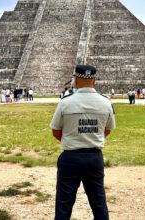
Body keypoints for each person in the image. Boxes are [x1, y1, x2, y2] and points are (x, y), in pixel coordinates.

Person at [50, 65, 116, 220]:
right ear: (94, 80)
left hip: (70, 158)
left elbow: (55, 131)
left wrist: (72, 140)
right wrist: (92, 138)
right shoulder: (105, 102)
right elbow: (107, 129)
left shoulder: (65, 102)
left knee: (63, 205)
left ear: (76, 79)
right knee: (99, 203)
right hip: (94, 158)